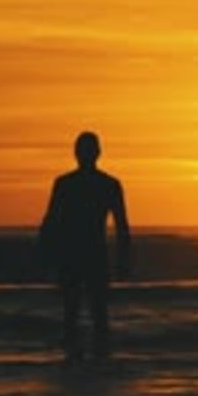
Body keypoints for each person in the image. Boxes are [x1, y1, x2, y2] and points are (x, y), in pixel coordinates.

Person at [39, 131, 130, 360]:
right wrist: (123, 258)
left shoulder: (68, 184)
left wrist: (45, 254)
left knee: (80, 312)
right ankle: (95, 361)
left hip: (78, 255)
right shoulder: (106, 185)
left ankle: (78, 362)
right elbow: (122, 227)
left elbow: (50, 223)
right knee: (90, 312)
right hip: (87, 255)